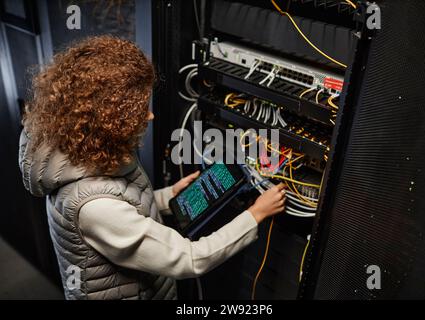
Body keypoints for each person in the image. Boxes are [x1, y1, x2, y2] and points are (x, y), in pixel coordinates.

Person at [19, 36, 286, 300]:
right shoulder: (95, 207)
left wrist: (167, 196)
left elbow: (121, 204)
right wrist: (255, 214)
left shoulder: (80, 147)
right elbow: (190, 258)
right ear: (108, 117)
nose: (150, 115)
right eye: (140, 108)